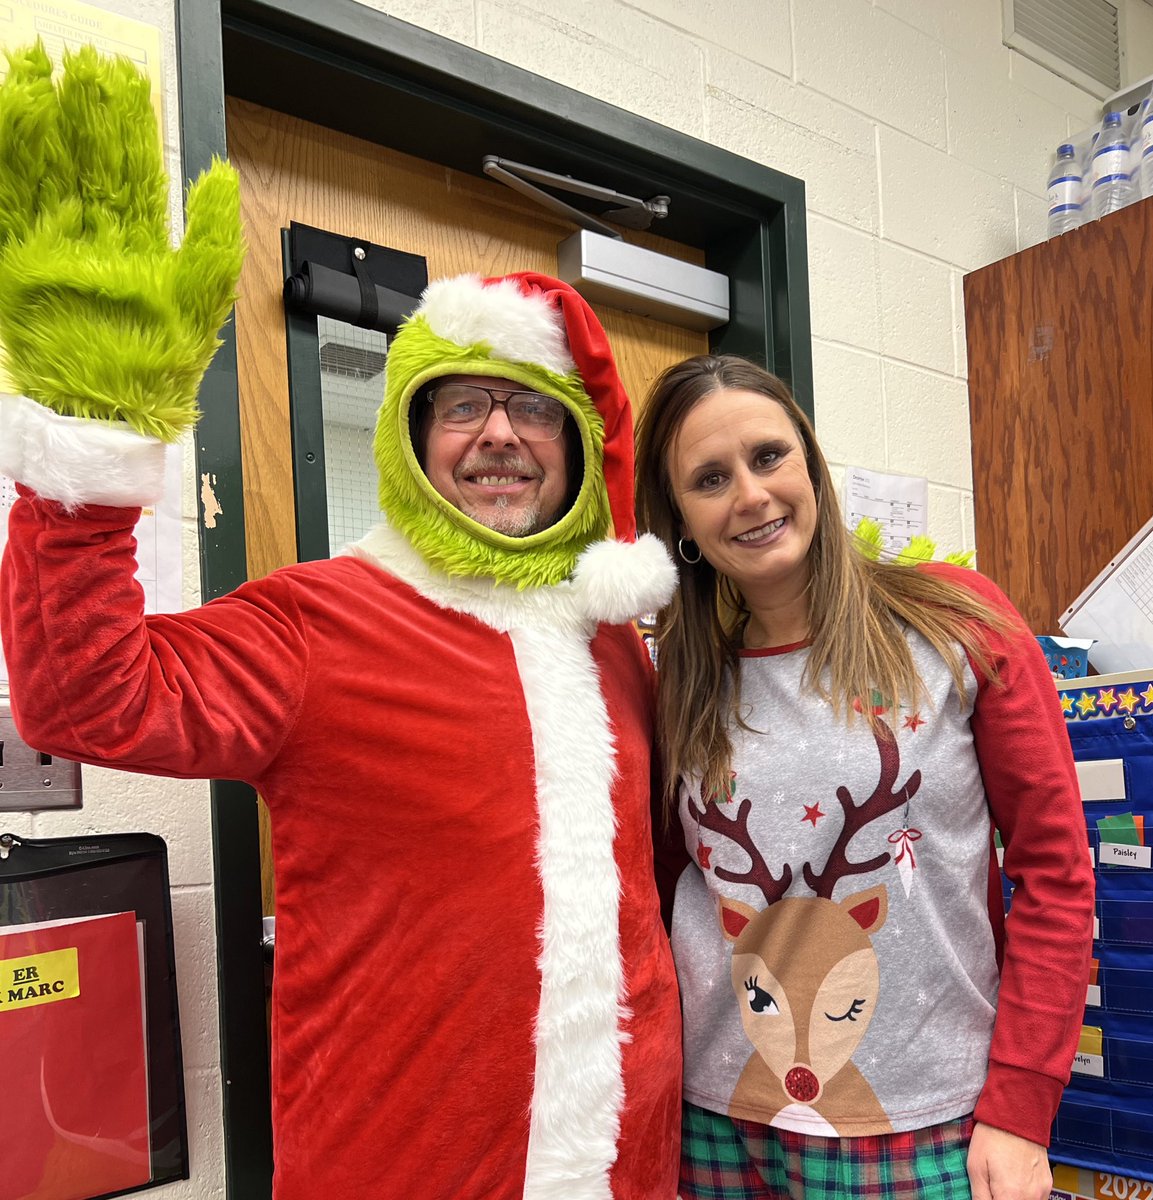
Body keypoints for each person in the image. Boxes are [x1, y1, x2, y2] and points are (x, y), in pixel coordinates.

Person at [0, 44, 681, 1200]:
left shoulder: (613, 642)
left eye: (530, 408)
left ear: (578, 447)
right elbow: (85, 698)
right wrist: (91, 457)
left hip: (628, 1159)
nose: (499, 435)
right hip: (397, 1159)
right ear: (410, 443)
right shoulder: (317, 619)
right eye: (460, 406)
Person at [632, 354, 1094, 1200]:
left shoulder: (955, 622)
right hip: (715, 1116)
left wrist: (1022, 1109)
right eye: (709, 478)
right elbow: (661, 890)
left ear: (808, 463)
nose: (750, 495)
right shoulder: (678, 685)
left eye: (768, 457)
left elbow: (1057, 876)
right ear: (683, 527)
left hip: (919, 1119)